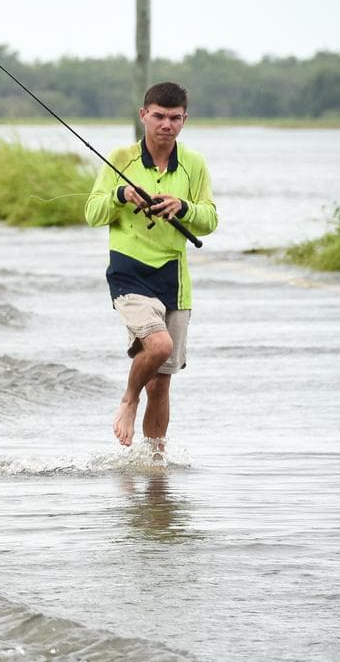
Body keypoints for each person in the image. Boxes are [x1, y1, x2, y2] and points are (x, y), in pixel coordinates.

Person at [85, 82, 218, 452]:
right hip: (129, 272)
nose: (166, 124)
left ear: (185, 119)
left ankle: (154, 462)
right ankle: (129, 400)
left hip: (174, 278)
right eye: (159, 116)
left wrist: (183, 207)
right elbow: (93, 214)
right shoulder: (121, 158)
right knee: (158, 345)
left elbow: (210, 220)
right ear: (144, 115)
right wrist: (121, 195)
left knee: (161, 383)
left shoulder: (194, 164)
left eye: (175, 118)